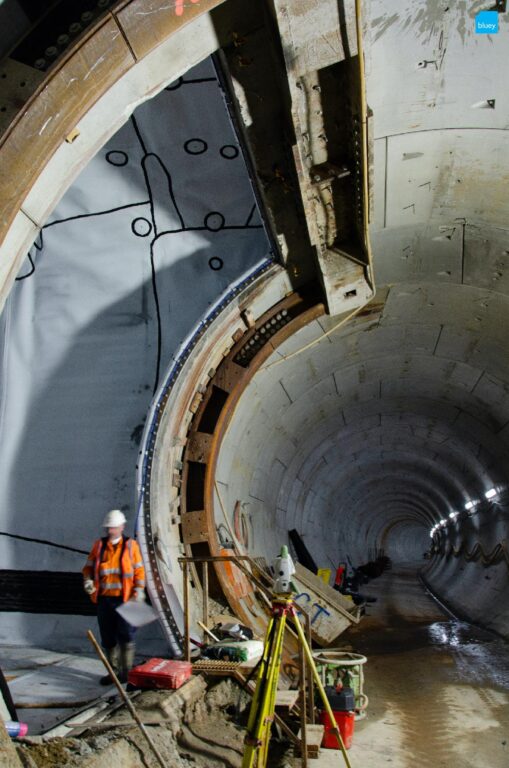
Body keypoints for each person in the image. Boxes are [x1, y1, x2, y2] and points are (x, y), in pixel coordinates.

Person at [82, 509, 146, 684]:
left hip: (125, 599)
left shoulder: (131, 546)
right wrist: (88, 581)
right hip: (104, 600)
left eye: (113, 528)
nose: (110, 531)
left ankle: (126, 672)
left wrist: (139, 590)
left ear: (121, 527)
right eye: (108, 528)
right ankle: (114, 672)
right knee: (108, 638)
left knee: (126, 635)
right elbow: (88, 567)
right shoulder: (99, 546)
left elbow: (139, 570)